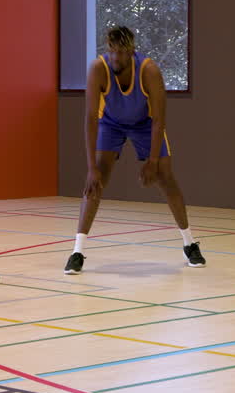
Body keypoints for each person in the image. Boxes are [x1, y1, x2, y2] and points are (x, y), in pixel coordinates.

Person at [64, 25, 205, 275]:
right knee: (97, 181)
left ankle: (189, 244)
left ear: (132, 51)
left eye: (122, 52)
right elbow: (90, 118)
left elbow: (160, 119)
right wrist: (91, 168)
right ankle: (77, 251)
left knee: (166, 178)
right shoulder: (99, 69)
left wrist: (151, 160)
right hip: (111, 123)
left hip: (145, 123)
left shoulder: (149, 71)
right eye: (112, 51)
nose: (116, 57)